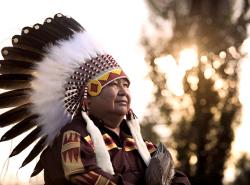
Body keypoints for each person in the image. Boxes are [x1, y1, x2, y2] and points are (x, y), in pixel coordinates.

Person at [0, 13, 191, 185]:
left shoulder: (143, 146)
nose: (123, 91)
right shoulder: (74, 137)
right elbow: (82, 174)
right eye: (112, 85)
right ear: (87, 100)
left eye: (126, 85)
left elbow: (175, 177)